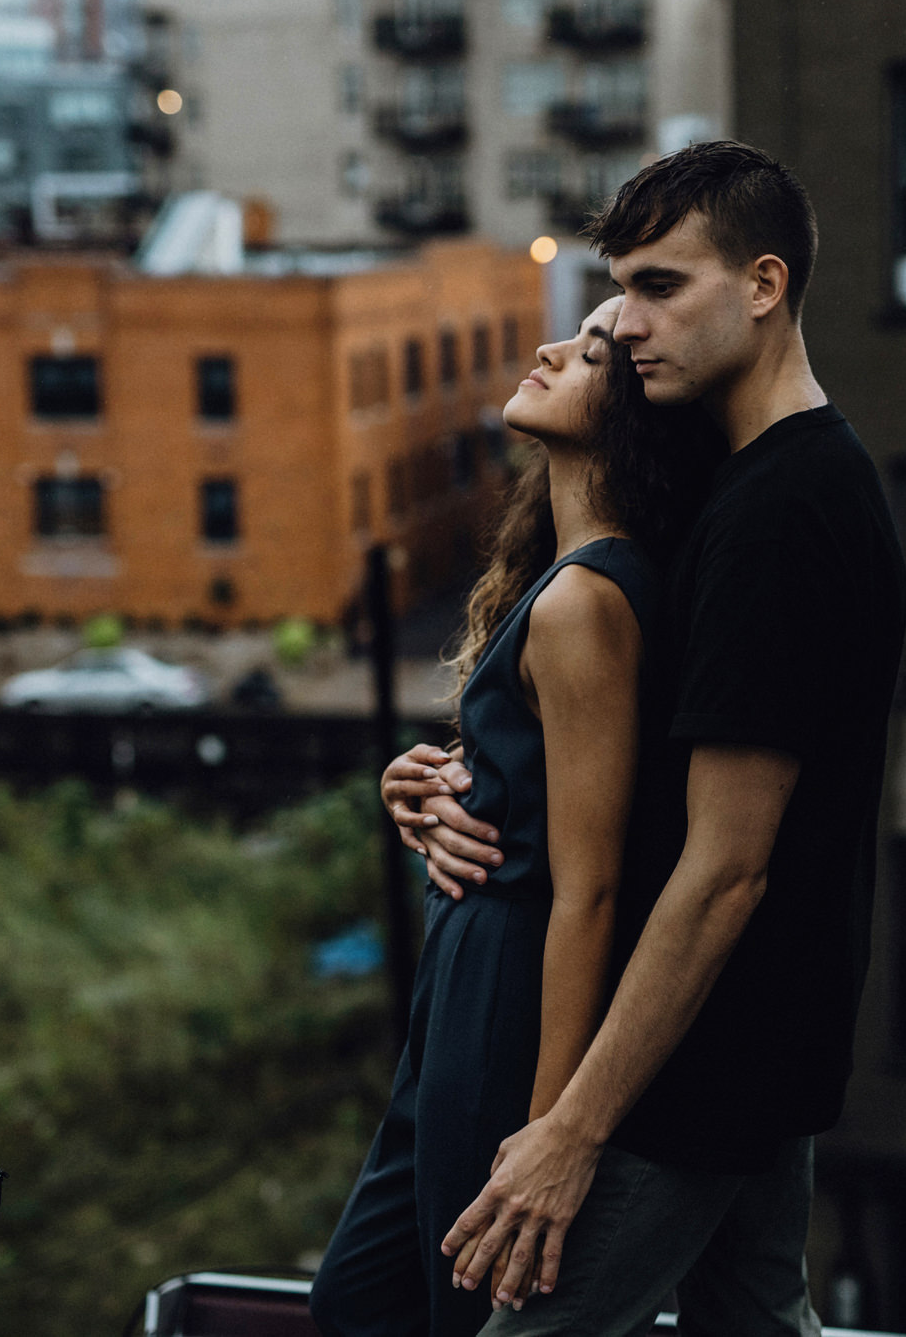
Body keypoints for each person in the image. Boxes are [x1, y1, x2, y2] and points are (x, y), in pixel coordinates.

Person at [382, 141, 906, 1337]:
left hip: (691, 1069)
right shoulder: (749, 482)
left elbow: (724, 870)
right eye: (619, 286)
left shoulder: (782, 516)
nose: (624, 323)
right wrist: (444, 782)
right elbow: (618, 765)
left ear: (763, 285)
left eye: (663, 286)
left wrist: (569, 1128)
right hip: (744, 1045)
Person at [308, 297, 723, 1337]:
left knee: (466, 1312)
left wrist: (545, 1135)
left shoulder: (587, 603)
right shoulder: (559, 580)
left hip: (512, 994)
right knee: (358, 1299)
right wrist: (431, 784)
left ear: (633, 418)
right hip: (463, 977)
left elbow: (588, 888)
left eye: (588, 353)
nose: (546, 351)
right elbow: (541, 784)